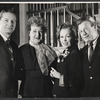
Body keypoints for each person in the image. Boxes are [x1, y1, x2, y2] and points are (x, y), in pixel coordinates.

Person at [15, 16, 57, 98]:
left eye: (40, 31)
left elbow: (54, 73)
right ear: (29, 33)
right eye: (34, 31)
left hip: (46, 92)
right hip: (27, 92)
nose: (37, 35)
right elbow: (18, 75)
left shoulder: (50, 51)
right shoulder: (21, 50)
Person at [50, 23, 83, 97]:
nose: (64, 40)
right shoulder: (66, 52)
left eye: (67, 36)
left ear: (74, 37)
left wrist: (58, 76)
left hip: (69, 95)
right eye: (61, 37)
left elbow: (77, 79)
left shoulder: (75, 54)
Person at [77, 16, 100, 97]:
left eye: (85, 29)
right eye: (80, 31)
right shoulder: (83, 51)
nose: (83, 33)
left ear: (95, 27)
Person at [0, 9, 18, 97]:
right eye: (6, 20)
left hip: (12, 93)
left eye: (13, 21)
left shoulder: (14, 45)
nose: (10, 24)